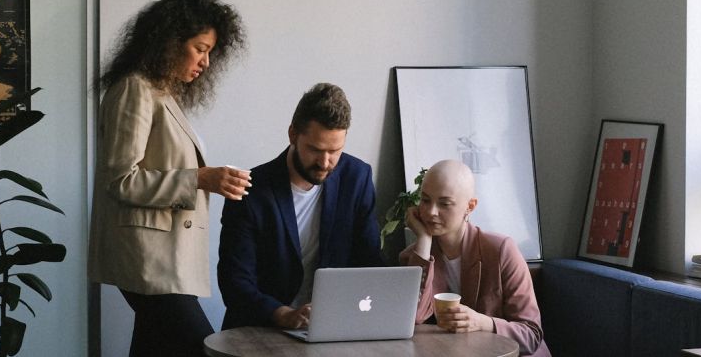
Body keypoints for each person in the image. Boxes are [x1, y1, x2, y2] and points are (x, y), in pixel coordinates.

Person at [88, 0, 248, 357]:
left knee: (151, 348)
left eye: (210, 52)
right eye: (200, 48)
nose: (206, 62)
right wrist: (200, 179)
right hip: (150, 263)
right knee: (206, 349)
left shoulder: (160, 91)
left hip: (164, 259)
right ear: (169, 41)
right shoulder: (134, 88)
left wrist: (205, 177)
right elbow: (120, 180)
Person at [218, 82, 383, 330]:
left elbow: (370, 262)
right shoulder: (251, 191)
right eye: (315, 150)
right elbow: (235, 282)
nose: (325, 162)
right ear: (293, 135)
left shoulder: (356, 179)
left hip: (332, 327)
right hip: (261, 330)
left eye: (335, 151)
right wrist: (282, 314)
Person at [399, 159, 551, 357]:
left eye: (444, 203)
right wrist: (424, 240)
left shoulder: (501, 250)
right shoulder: (416, 256)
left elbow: (531, 335)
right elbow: (413, 320)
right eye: (426, 200)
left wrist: (482, 322)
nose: (430, 212)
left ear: (470, 206)